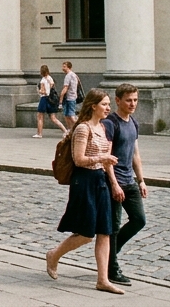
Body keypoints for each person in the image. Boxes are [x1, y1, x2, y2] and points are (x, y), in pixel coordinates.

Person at [46, 88, 123, 294]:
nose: (108, 108)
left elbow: (108, 161)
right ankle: (54, 255)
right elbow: (79, 159)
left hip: (101, 180)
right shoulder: (83, 129)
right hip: (84, 181)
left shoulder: (103, 128)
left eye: (108, 104)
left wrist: (114, 183)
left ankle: (102, 280)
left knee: (105, 232)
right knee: (86, 234)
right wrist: (101, 159)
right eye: (105, 104)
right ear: (93, 106)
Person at [103, 83, 148, 287]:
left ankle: (111, 252)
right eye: (129, 100)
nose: (133, 104)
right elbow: (107, 157)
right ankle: (112, 268)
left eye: (135, 100)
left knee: (139, 219)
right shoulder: (111, 123)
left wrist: (142, 180)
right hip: (115, 182)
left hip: (129, 181)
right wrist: (114, 184)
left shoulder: (133, 123)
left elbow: (135, 154)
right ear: (118, 100)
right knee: (112, 226)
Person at [36, 65, 68, 138]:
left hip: (44, 99)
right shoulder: (50, 79)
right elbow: (50, 89)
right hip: (51, 100)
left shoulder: (43, 80)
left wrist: (38, 91)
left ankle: (39, 133)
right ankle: (65, 131)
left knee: (40, 116)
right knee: (53, 118)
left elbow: (43, 91)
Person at [60, 61, 81, 127]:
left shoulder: (68, 76)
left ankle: (79, 127)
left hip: (69, 98)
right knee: (67, 115)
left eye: (64, 67)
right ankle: (70, 129)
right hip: (73, 96)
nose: (62, 68)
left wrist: (61, 99)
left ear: (69, 67)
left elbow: (65, 88)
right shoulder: (74, 75)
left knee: (71, 116)